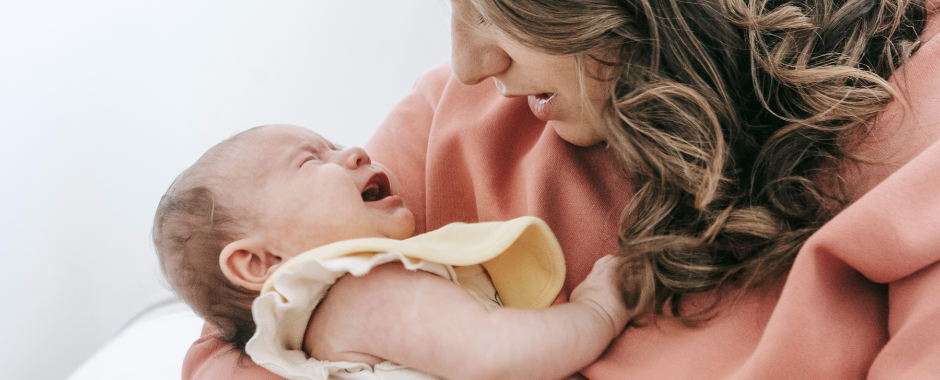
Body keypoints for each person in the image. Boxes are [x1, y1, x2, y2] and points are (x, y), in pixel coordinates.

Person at [184, 0, 940, 378]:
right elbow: (236, 328)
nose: (470, 63)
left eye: (493, 6)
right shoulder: (464, 114)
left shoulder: (913, 114)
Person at [154, 124, 629, 380]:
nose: (357, 151)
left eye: (336, 144)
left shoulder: (326, 323)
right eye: (311, 160)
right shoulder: (364, 289)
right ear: (258, 263)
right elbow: (496, 353)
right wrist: (599, 311)